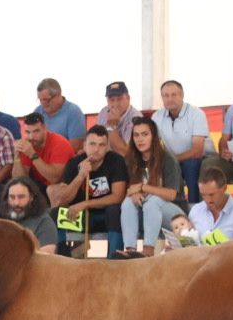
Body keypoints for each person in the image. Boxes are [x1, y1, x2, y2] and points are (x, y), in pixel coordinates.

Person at [47, 125, 127, 255]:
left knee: (115, 210)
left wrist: (85, 204)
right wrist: (80, 176)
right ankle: (62, 257)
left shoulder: (116, 161)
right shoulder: (74, 163)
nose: (96, 149)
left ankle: (114, 259)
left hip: (106, 218)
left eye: (102, 145)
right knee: (55, 214)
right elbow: (63, 199)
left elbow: (118, 196)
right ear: (84, 145)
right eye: (92, 144)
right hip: (82, 218)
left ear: (107, 147)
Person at [117, 116, 184, 256]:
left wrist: (143, 187)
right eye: (136, 135)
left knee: (153, 202)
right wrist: (133, 193)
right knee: (127, 203)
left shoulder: (167, 159)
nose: (140, 139)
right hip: (146, 213)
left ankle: (148, 250)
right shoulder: (131, 160)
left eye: (145, 134)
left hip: (174, 215)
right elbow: (128, 190)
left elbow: (171, 195)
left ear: (154, 137)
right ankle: (130, 250)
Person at [153, 79, 215, 205]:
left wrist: (171, 159)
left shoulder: (196, 114)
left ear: (182, 95)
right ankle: (174, 209)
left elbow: (197, 151)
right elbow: (153, 144)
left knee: (190, 165)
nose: (170, 99)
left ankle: (194, 206)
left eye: (174, 95)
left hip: (201, 159)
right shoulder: (157, 117)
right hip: (175, 159)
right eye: (166, 95)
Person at [13, 112, 73, 199]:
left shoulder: (59, 143)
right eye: (27, 132)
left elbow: (55, 178)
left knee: (51, 190)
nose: (31, 137)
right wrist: (17, 156)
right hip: (41, 187)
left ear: (45, 128)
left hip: (64, 187)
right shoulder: (27, 144)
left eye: (36, 131)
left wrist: (32, 154)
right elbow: (19, 180)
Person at [187, 166, 233, 241]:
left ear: (224, 188)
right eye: (203, 195)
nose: (207, 200)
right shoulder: (195, 210)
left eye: (211, 194)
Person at [0, 175, 54, 248]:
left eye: (21, 197)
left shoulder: (44, 222)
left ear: (31, 198)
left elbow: (45, 256)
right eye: (12, 197)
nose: (16, 203)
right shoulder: (5, 222)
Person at [33, 77, 87, 151]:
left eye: (46, 100)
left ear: (58, 95)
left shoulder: (74, 112)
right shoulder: (37, 111)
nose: (43, 104)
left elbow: (75, 147)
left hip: (65, 159)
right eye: (40, 100)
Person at [96, 81, 137, 156]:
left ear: (128, 98)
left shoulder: (135, 118)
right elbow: (96, 137)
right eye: (111, 100)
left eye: (119, 99)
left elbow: (124, 152)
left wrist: (111, 126)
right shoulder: (104, 111)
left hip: (124, 162)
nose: (115, 104)